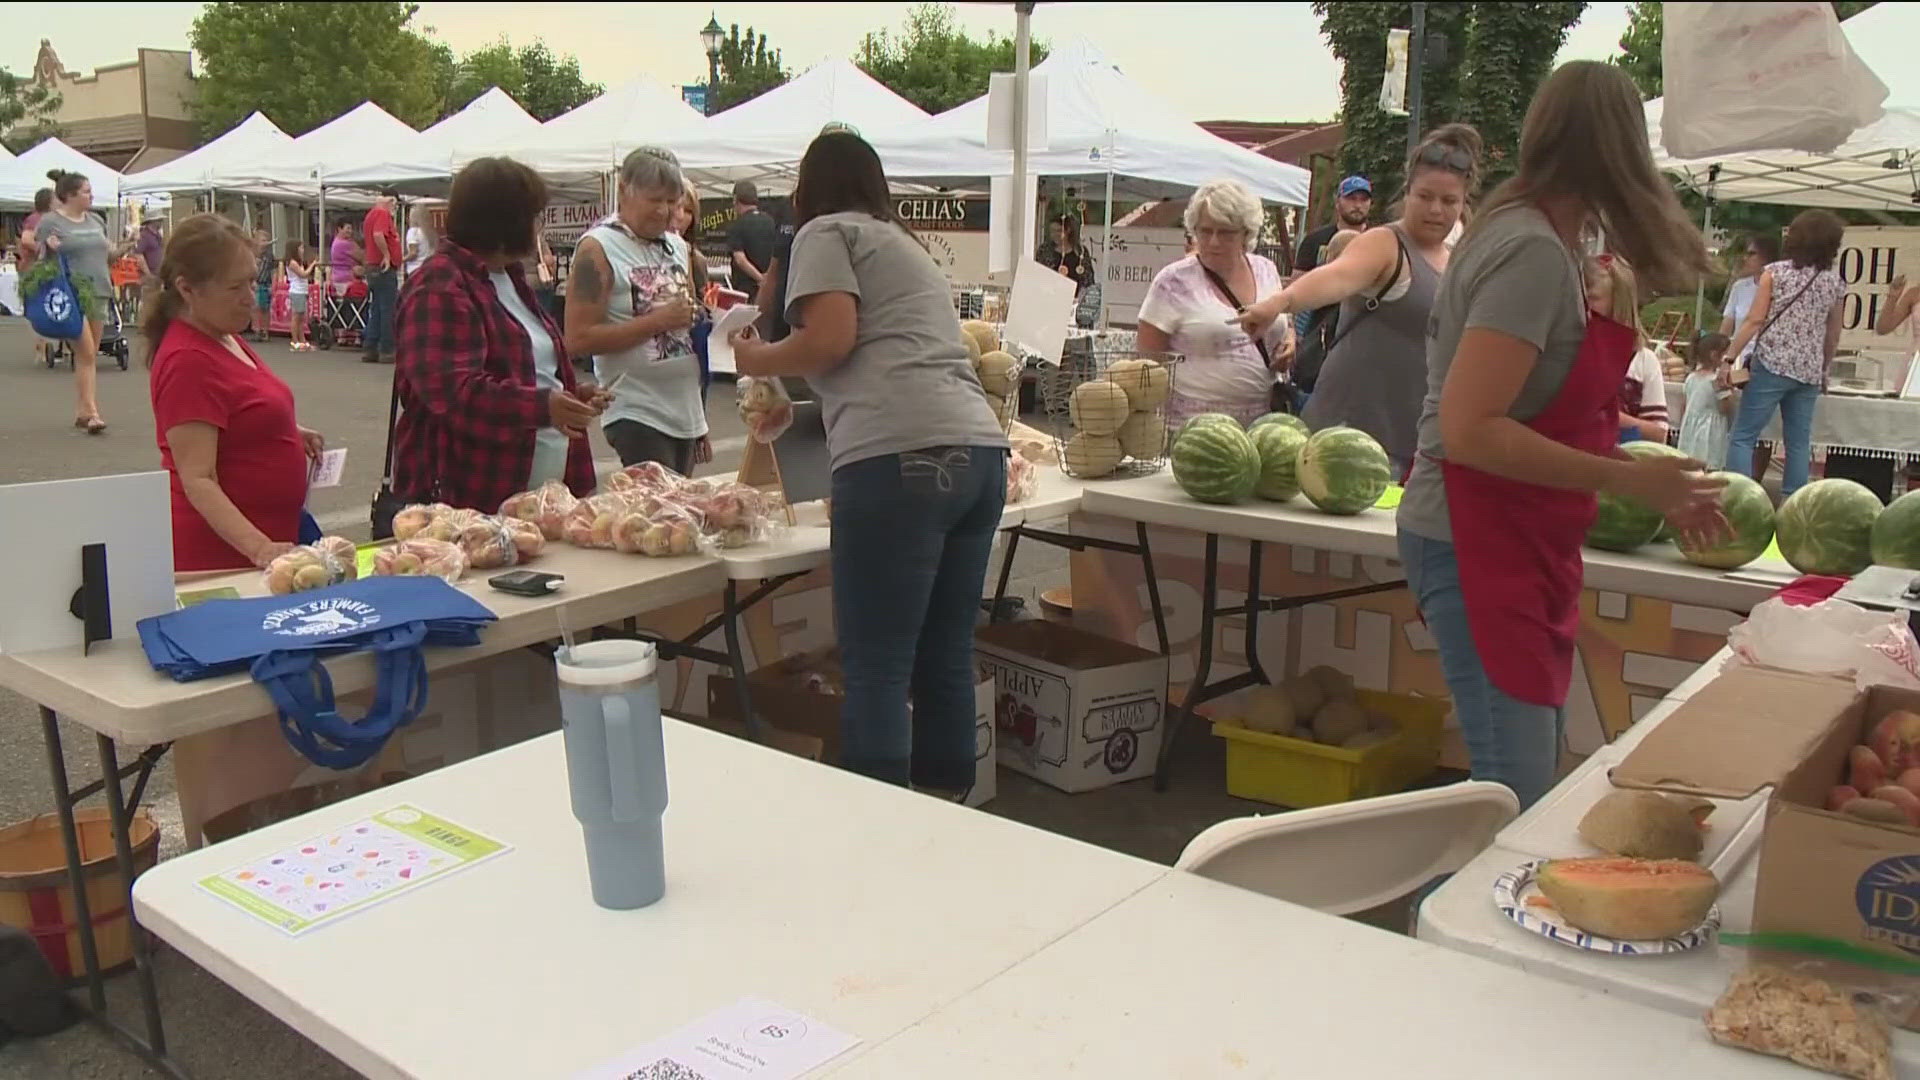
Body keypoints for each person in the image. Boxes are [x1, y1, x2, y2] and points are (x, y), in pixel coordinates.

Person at [1393, 60, 1722, 810]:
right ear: (1619, 148)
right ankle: (1429, 925)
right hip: (1473, 536)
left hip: (1514, 537)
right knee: (1513, 799)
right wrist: (1637, 479)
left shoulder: (1546, 240)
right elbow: (1470, 429)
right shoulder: (1533, 253)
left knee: (1517, 785)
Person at [727, 130, 1011, 795]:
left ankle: (878, 835)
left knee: (879, 664)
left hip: (897, 460)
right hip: (977, 453)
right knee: (944, 655)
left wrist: (755, 359)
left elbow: (829, 340)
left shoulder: (826, 232)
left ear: (808, 189)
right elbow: (881, 354)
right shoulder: (904, 246)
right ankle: (950, 817)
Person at [1240, 125, 1482, 475]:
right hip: (1347, 438)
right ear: (1407, 192)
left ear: (1463, 205)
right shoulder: (1385, 243)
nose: (1435, 210)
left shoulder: (1455, 260)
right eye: (1425, 196)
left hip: (1413, 443)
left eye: (1449, 201)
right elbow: (1336, 277)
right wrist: (1280, 302)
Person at [394, 157, 602, 512]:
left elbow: (524, 371)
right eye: (535, 216)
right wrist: (542, 405)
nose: (540, 226)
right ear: (508, 221)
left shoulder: (509, 277)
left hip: (537, 493)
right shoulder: (439, 284)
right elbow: (452, 392)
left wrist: (569, 396)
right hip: (470, 496)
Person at [146, 214, 323, 571]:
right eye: (234, 287)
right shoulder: (188, 361)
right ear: (187, 289)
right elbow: (198, 478)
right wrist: (260, 548)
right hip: (222, 557)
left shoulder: (222, 333)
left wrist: (284, 429)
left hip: (262, 543)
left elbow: (236, 410)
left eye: (251, 282)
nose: (250, 297)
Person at [565, 146, 709, 474]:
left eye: (672, 202)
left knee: (681, 514)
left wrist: (715, 321)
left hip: (685, 408)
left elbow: (686, 316)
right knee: (662, 517)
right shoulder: (598, 247)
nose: (664, 212)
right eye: (654, 200)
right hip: (636, 408)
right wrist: (657, 322)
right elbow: (577, 339)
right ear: (625, 190)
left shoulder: (677, 245)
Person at [1137, 179, 1292, 428]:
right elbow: (1147, 363)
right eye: (1205, 231)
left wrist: (1289, 341)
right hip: (1191, 430)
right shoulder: (1172, 281)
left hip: (1262, 426)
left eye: (1226, 232)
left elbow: (1283, 320)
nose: (1213, 242)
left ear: (1246, 233)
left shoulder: (1266, 270)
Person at [1725, 209, 1848, 498]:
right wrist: (1824, 369)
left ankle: (1740, 498)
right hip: (1808, 370)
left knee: (1743, 435)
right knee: (1798, 441)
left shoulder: (1775, 273)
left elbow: (1754, 320)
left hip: (1772, 363)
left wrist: (1729, 357)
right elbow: (1833, 333)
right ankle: (1793, 501)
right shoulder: (1835, 283)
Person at [29, 170, 115, 434]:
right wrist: (50, 249)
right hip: (70, 292)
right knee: (87, 352)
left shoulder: (96, 220)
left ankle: (82, 411)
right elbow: (41, 261)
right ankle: (92, 413)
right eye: (86, 191)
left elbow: (107, 255)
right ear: (70, 195)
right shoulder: (51, 222)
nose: (91, 196)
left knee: (88, 355)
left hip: (99, 290)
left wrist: (125, 246)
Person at [1585, 255, 1670, 444]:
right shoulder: (1567, 352)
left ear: (1618, 302)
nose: (1585, 306)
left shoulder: (1643, 360)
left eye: (1593, 299)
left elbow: (1658, 433)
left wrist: (1608, 416)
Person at [1720, 234, 1781, 478]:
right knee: (1733, 417)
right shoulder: (1740, 287)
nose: (1746, 258)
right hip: (1736, 358)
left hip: (1764, 359)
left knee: (1761, 426)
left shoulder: (1778, 285)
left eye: (1752, 253)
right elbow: (1728, 323)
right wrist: (1719, 352)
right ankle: (1733, 473)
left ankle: (1754, 478)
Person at [1291, 175, 1372, 341]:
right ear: (1337, 202)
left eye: (1364, 200)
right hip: (1319, 332)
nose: (1357, 205)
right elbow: (1296, 286)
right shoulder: (1315, 240)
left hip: (1364, 330)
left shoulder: (1379, 241)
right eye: (1351, 198)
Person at [1678, 333, 1733, 470]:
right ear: (1715, 355)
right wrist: (1727, 392)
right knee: (1709, 464)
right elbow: (1724, 409)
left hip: (1691, 427)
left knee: (1690, 462)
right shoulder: (1716, 381)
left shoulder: (1691, 377)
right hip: (1709, 431)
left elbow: (1684, 405)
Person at [362, 187, 402, 364]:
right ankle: (387, 349)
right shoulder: (382, 214)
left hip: (372, 266)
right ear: (391, 200)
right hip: (384, 267)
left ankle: (370, 348)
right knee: (388, 310)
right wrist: (387, 255)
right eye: (395, 203)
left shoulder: (371, 214)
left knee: (377, 309)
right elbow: (378, 234)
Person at [18, 188, 52, 366]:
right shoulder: (35, 219)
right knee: (37, 307)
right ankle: (41, 347)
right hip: (35, 270)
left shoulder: (51, 219)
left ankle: (45, 347)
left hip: (43, 269)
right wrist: (44, 249)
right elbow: (26, 239)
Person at [726, 179, 776, 288]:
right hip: (768, 289)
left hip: (745, 288)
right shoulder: (771, 221)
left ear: (736, 200)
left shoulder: (738, 225)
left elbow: (740, 259)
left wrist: (760, 278)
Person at [1036, 214, 1096, 297]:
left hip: (1075, 300)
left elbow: (1088, 280)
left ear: (1068, 230)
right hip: (1050, 298)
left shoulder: (1080, 251)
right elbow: (1039, 276)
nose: (1054, 235)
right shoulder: (1045, 250)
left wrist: (1080, 297)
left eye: (1058, 231)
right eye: (1052, 231)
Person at [284, 240, 314, 351]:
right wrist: (312, 266)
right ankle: (294, 341)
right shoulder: (292, 263)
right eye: (300, 248)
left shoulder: (299, 262)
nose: (302, 250)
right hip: (297, 291)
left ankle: (303, 340)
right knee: (296, 317)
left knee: (301, 318)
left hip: (302, 291)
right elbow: (303, 275)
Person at [250, 229, 276, 342]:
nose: (265, 242)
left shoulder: (270, 255)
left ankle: (265, 331)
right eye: (262, 240)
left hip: (265, 283)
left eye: (266, 240)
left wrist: (273, 284)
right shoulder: (252, 253)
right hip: (255, 283)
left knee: (265, 308)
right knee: (255, 308)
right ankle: (256, 329)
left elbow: (273, 271)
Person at [403, 212, 433, 279]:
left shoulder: (413, 232)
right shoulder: (428, 232)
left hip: (414, 269)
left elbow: (413, 253)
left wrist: (401, 260)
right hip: (427, 268)